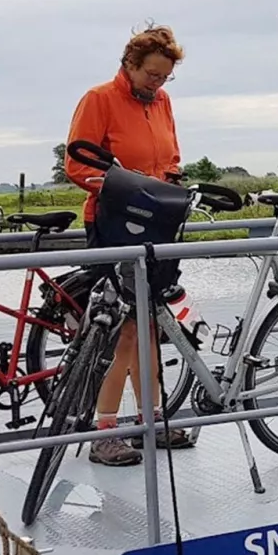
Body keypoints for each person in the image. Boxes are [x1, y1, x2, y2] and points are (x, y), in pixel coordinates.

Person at [64, 24, 195, 466]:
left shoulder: (163, 102)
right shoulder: (99, 99)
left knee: (150, 324)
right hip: (113, 221)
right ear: (130, 65)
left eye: (165, 77)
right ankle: (104, 430)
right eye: (152, 75)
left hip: (156, 220)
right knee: (121, 327)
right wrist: (120, 188)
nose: (158, 85)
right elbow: (77, 162)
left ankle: (152, 421)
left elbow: (170, 155)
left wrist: (173, 182)